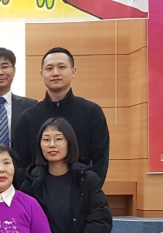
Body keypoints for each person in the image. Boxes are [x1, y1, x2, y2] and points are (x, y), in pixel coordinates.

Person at [13, 47, 110, 185]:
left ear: (73, 71)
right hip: (37, 194)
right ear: (41, 74)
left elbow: (100, 160)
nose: (55, 73)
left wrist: (89, 190)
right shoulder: (28, 117)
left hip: (83, 192)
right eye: (49, 68)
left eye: (61, 67)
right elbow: (20, 164)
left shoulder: (91, 112)